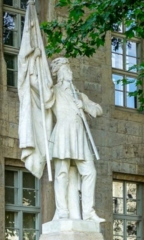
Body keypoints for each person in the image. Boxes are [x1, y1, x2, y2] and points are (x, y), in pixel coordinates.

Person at [47, 57, 104, 222]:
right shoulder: (54, 91)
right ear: (59, 73)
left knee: (90, 171)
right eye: (66, 69)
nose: (70, 72)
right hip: (63, 134)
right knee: (62, 173)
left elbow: (98, 110)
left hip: (80, 136)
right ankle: (62, 211)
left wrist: (84, 105)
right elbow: (43, 100)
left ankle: (88, 212)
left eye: (70, 69)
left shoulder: (79, 94)